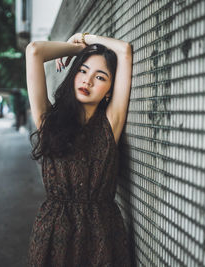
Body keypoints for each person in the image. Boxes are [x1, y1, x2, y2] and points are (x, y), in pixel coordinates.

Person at [26, 32, 133, 266]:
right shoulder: (49, 120)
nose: (88, 81)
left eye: (100, 77)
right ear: (73, 74)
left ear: (110, 90)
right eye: (82, 71)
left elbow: (125, 51)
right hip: (53, 231)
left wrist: (87, 38)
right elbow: (34, 51)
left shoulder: (110, 124)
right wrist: (77, 49)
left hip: (101, 233)